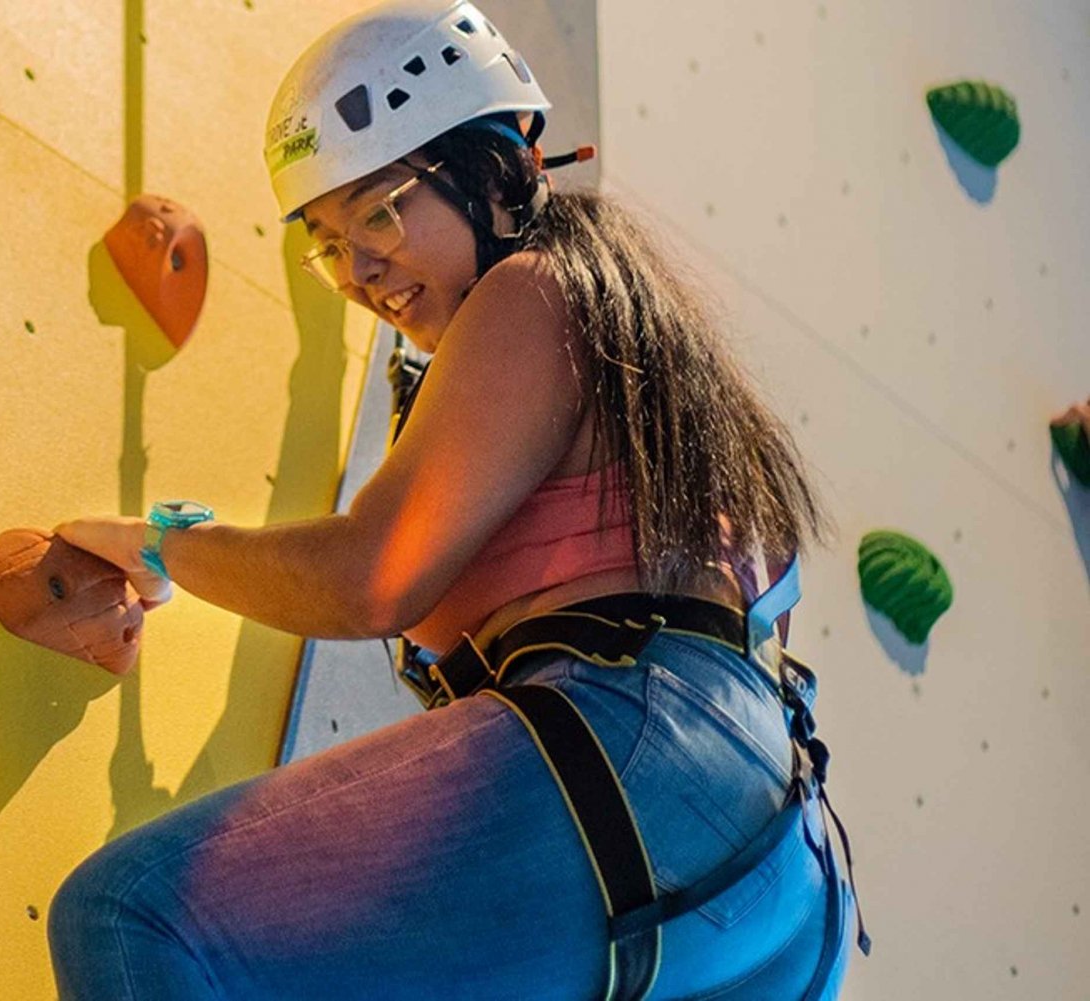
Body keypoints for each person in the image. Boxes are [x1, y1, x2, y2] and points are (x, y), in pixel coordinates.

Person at [46, 1, 864, 997]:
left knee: (131, 911)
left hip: (637, 759)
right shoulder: (641, 362)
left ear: (497, 166)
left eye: (383, 211)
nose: (359, 269)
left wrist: (165, 544)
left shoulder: (533, 290)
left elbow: (369, 577)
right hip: (772, 859)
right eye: (329, 242)